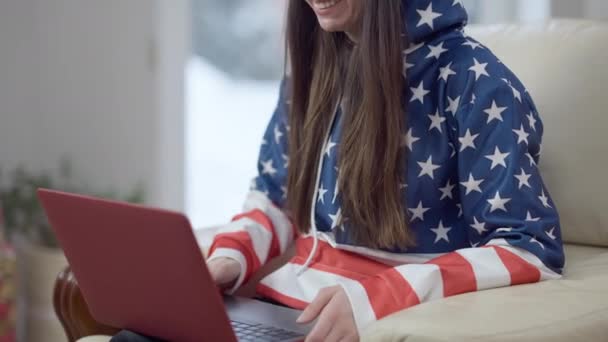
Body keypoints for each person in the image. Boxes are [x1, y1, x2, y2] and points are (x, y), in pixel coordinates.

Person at [112, 0, 565, 341]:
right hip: (282, 310)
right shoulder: (317, 66)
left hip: (377, 325)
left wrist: (382, 297)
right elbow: (275, 198)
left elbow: (528, 249)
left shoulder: (475, 83)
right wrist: (228, 260)